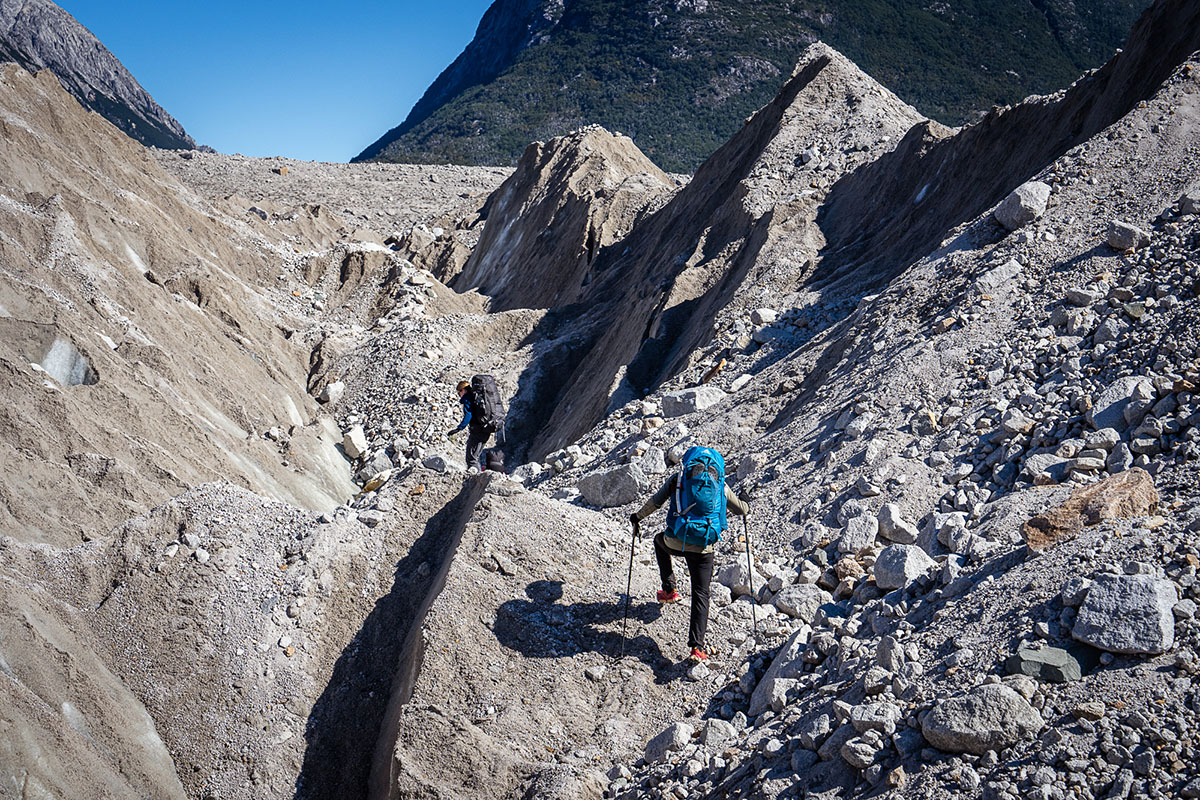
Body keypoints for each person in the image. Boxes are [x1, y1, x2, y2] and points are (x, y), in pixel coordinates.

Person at [630, 446, 748, 662]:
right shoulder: (719, 484)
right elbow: (741, 510)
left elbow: (655, 503)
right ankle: (697, 647)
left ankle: (669, 590)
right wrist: (746, 504)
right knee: (701, 594)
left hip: (676, 540)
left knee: (658, 541)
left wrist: (637, 517)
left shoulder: (679, 479)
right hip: (704, 547)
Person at [450, 380, 491, 473]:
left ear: (464, 390)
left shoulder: (468, 399)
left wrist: (459, 428)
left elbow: (468, 415)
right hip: (486, 429)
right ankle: (478, 478)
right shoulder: (478, 399)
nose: (459, 395)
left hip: (477, 431)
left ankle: (473, 480)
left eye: (459, 392)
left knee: (471, 458)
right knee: (475, 457)